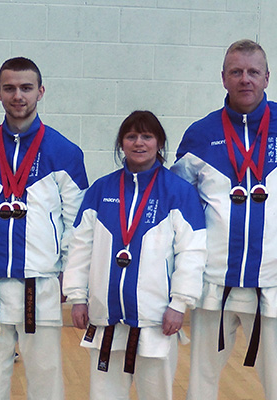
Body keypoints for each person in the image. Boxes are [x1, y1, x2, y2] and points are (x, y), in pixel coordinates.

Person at [171, 39, 277, 400]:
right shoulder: (199, 135)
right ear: (223, 78)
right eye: (236, 72)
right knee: (201, 381)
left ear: (267, 77)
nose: (245, 79)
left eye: (253, 72)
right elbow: (182, 208)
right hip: (214, 282)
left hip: (274, 282)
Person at [0, 57, 88, 400]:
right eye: (9, 88)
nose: (18, 95)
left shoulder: (65, 152)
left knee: (45, 377)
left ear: (40, 92)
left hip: (40, 281)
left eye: (26, 88)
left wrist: (67, 274)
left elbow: (78, 222)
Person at [62, 110, 206, 399]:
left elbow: (192, 252)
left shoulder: (178, 192)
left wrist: (180, 303)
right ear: (121, 143)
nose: (139, 143)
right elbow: (80, 247)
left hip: (156, 322)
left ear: (159, 143)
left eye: (147, 136)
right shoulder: (101, 190)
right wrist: (77, 297)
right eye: (131, 136)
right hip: (106, 321)